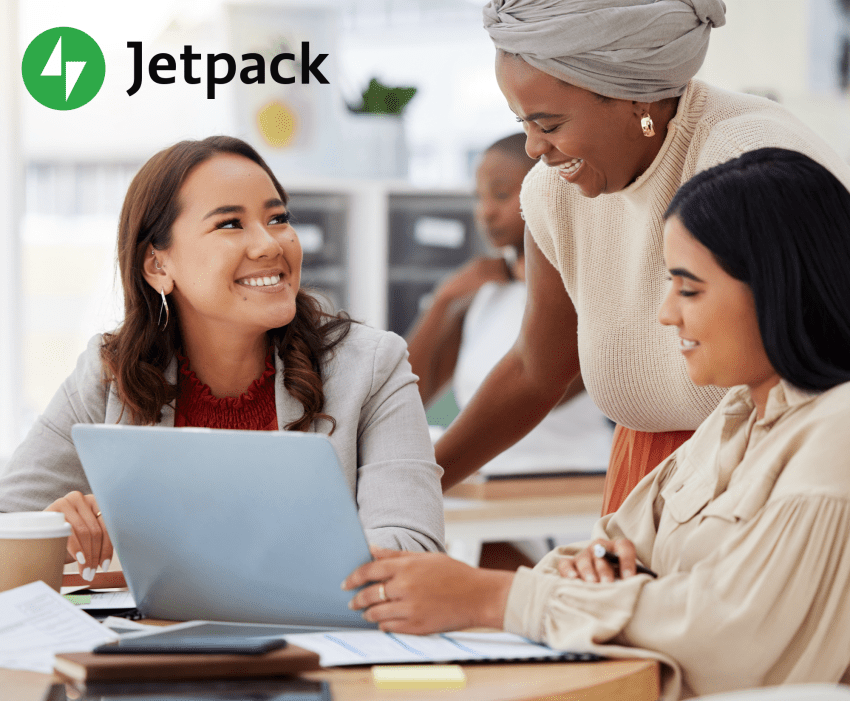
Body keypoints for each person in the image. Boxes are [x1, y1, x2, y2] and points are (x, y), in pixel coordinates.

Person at [343, 148, 850, 699]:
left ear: (779, 288)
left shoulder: (834, 433)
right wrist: (598, 577)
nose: (666, 312)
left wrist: (492, 598)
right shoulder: (735, 416)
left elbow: (730, 632)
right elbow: (609, 548)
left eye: (689, 288)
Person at [435, 0, 850, 516]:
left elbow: (818, 376)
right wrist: (420, 483)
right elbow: (536, 369)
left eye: (549, 123)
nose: (534, 148)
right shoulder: (553, 192)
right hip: (642, 484)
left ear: (637, 101)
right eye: (522, 122)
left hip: (773, 480)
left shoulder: (749, 164)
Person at [0, 136, 445, 581]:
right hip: (159, 645)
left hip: (319, 645)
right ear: (158, 265)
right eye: (230, 224)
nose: (270, 244)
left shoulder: (371, 367)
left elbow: (413, 550)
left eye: (278, 218)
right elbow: (7, 521)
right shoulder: (109, 374)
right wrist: (49, 532)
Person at [406, 133, 612, 482]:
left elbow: (537, 389)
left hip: (562, 481)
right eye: (479, 197)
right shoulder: (485, 293)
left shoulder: (586, 288)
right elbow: (409, 397)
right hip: (483, 479)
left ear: (551, 189)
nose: (485, 212)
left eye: (501, 194)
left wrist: (429, 472)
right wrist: (443, 302)